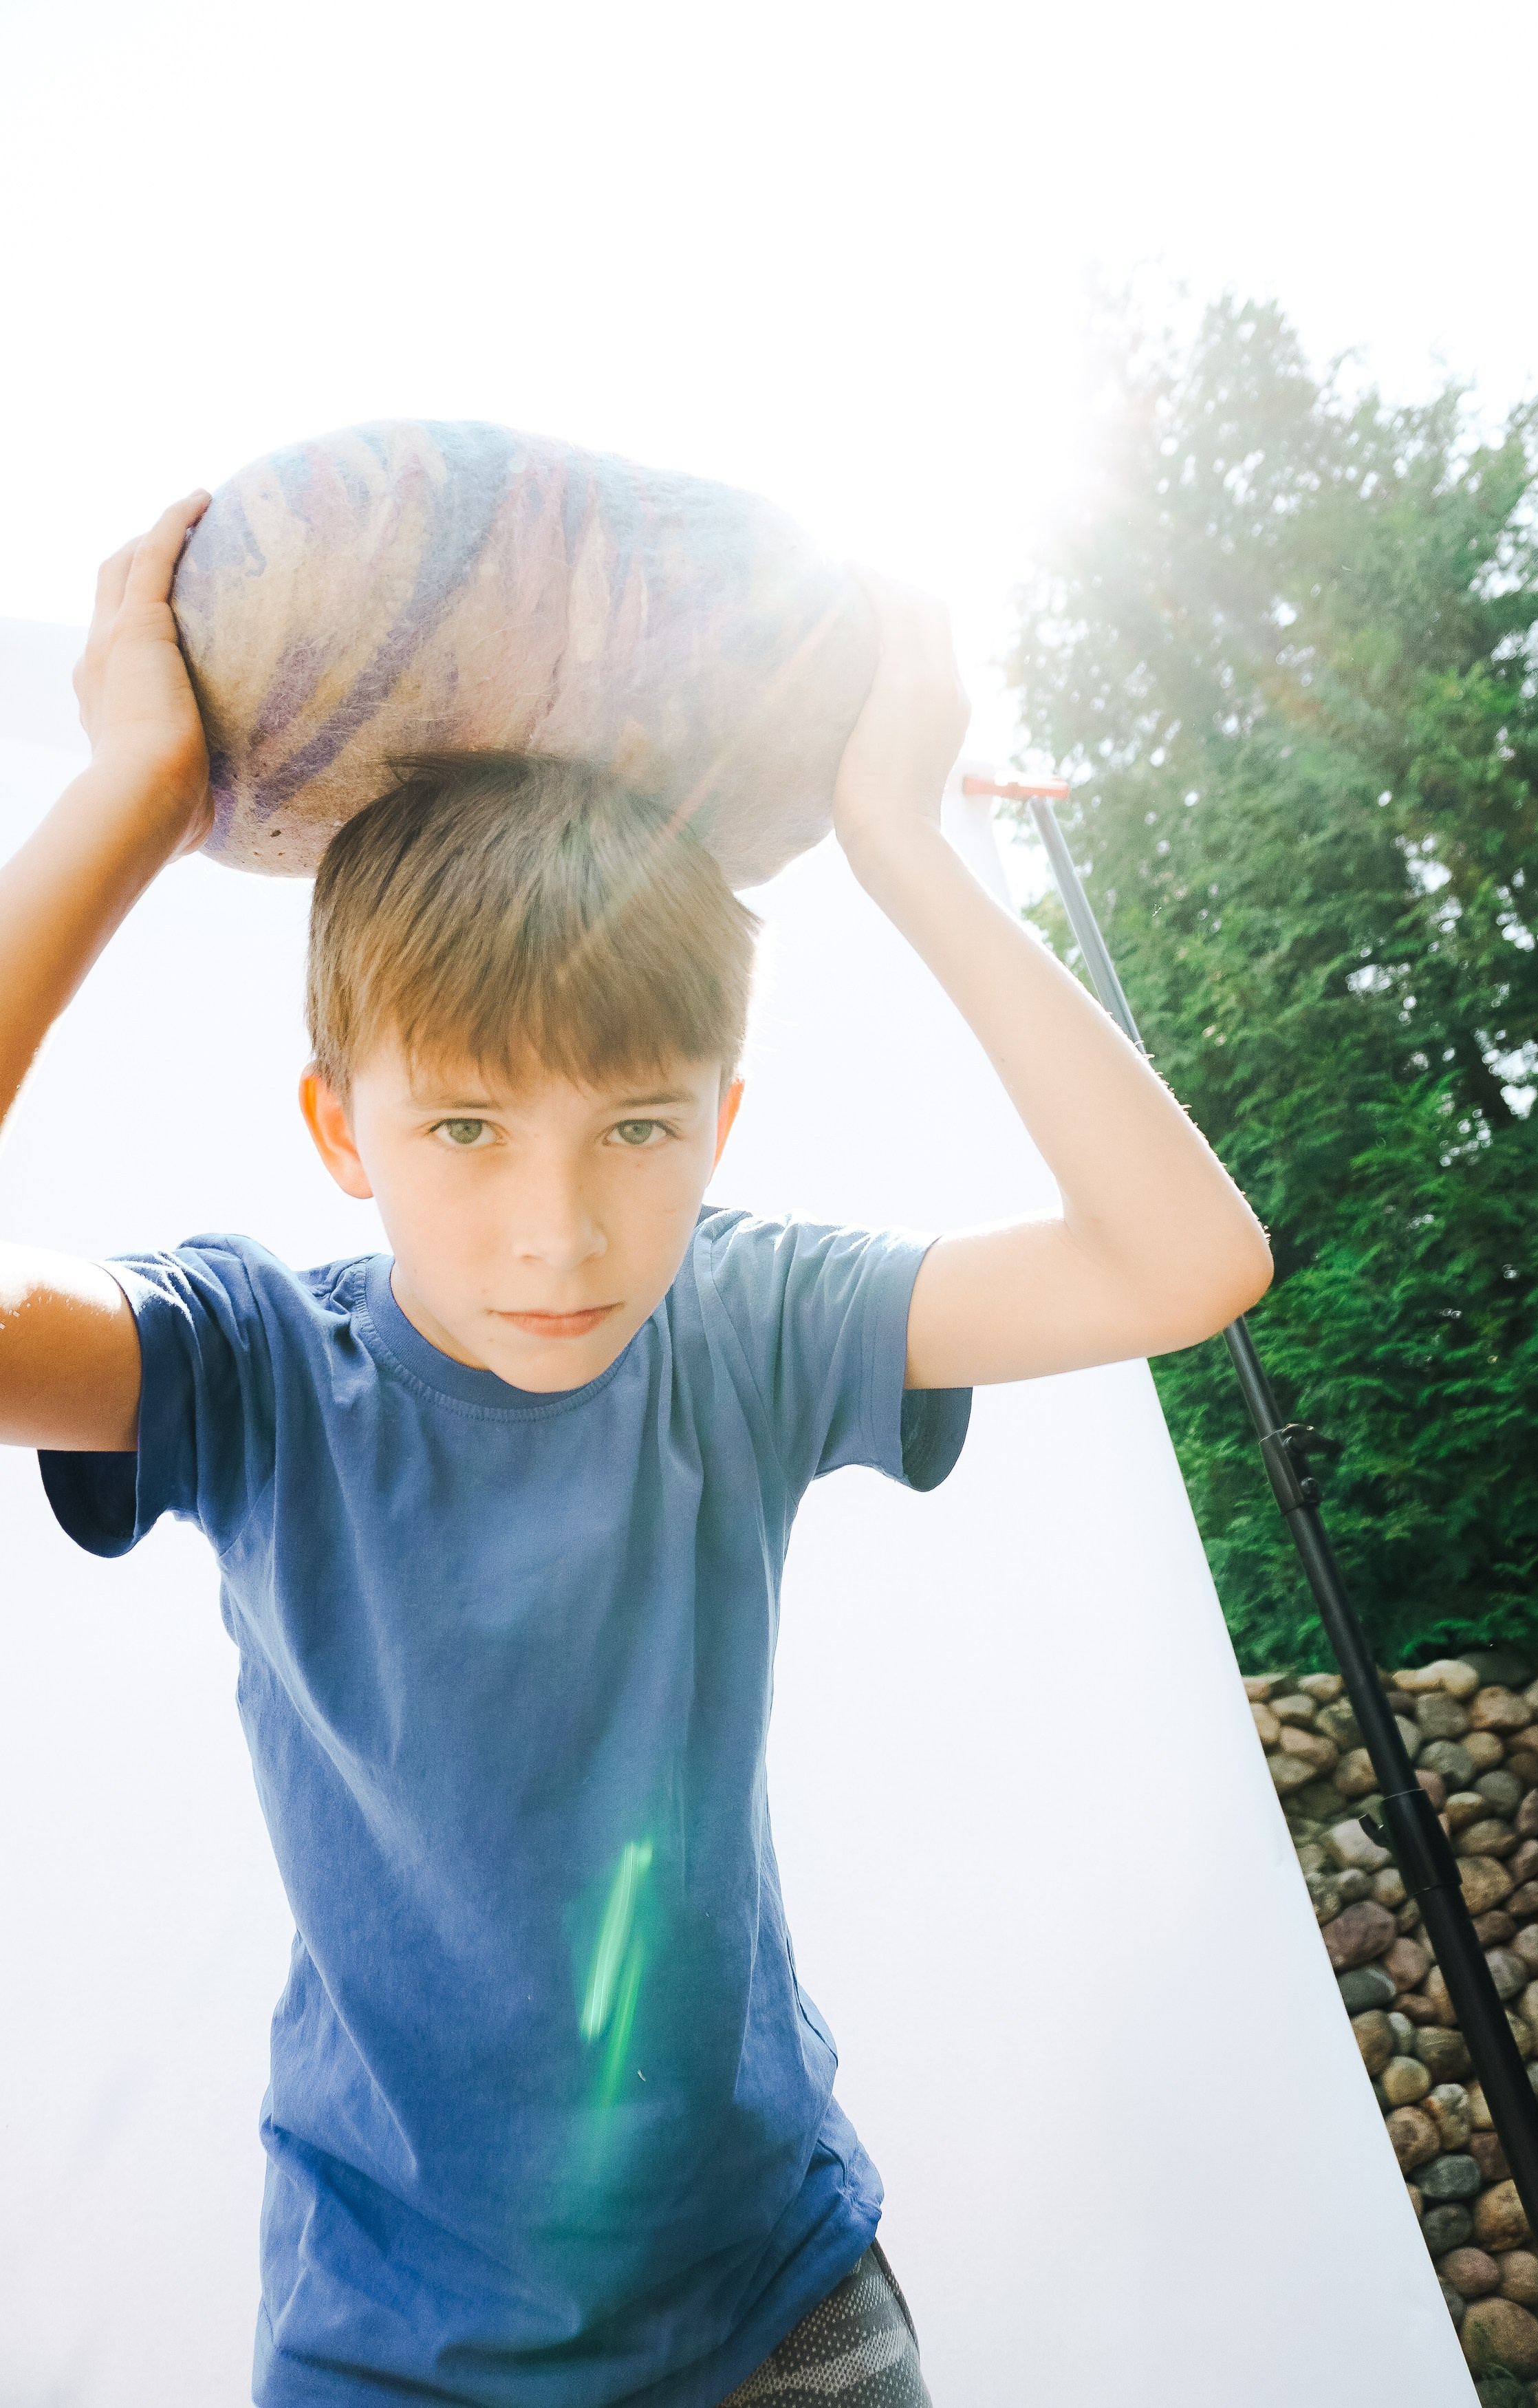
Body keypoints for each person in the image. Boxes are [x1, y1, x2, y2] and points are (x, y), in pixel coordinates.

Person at [0, 493, 1272, 2407]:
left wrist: (905, 847)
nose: (560, 1232)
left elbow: (1189, 1261)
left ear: (724, 1121)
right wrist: (132, 787)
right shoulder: (252, 1366)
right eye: (464, 1130)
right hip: (392, 2355)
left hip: (781, 2314)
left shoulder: (745, 1331)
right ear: (341, 1127)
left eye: (638, 1127)